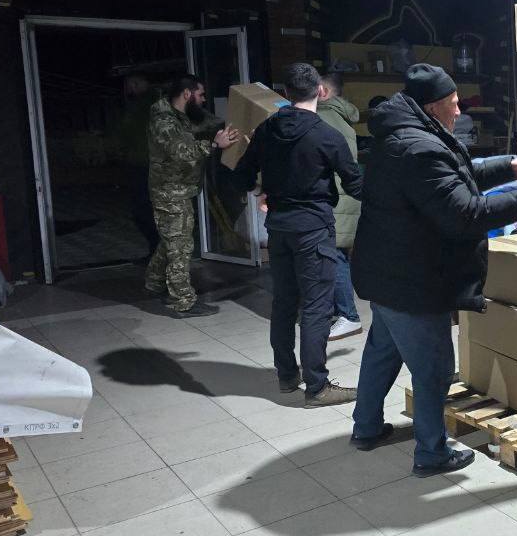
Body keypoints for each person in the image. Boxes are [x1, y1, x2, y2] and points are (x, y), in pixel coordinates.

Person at [349, 64, 517, 473]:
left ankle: (366, 427)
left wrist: (508, 166)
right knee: (434, 369)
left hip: (386, 272)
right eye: (454, 104)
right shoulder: (419, 147)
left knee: (382, 353)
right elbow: (463, 213)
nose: (460, 112)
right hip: (413, 280)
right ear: (433, 106)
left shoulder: (405, 136)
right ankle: (432, 453)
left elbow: (454, 176)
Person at [234, 63, 365, 407]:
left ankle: (287, 375)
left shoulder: (266, 130)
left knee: (284, 302)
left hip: (279, 227)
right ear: (320, 91)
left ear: (285, 93)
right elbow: (355, 184)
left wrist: (263, 190)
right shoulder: (327, 135)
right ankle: (317, 387)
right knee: (317, 307)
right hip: (314, 229)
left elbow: (242, 175)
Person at [145, 75, 239, 318]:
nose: (204, 99)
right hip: (169, 192)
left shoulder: (183, 116)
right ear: (187, 94)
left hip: (180, 190)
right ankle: (183, 301)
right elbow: (181, 152)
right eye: (201, 94)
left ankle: (154, 281)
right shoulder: (164, 122)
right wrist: (215, 145)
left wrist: (234, 124)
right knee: (180, 247)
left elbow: (209, 122)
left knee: (171, 240)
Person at [315, 72, 364, 340]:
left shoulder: (322, 118)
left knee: (335, 258)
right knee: (336, 255)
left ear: (322, 91)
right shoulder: (341, 116)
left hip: (334, 199)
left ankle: (349, 316)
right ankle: (339, 312)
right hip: (345, 198)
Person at [118, 74, 160, 258]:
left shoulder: (144, 107)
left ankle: (159, 251)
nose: (128, 89)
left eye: (130, 85)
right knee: (145, 210)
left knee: (143, 211)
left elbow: (128, 133)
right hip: (145, 163)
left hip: (145, 164)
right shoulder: (150, 105)